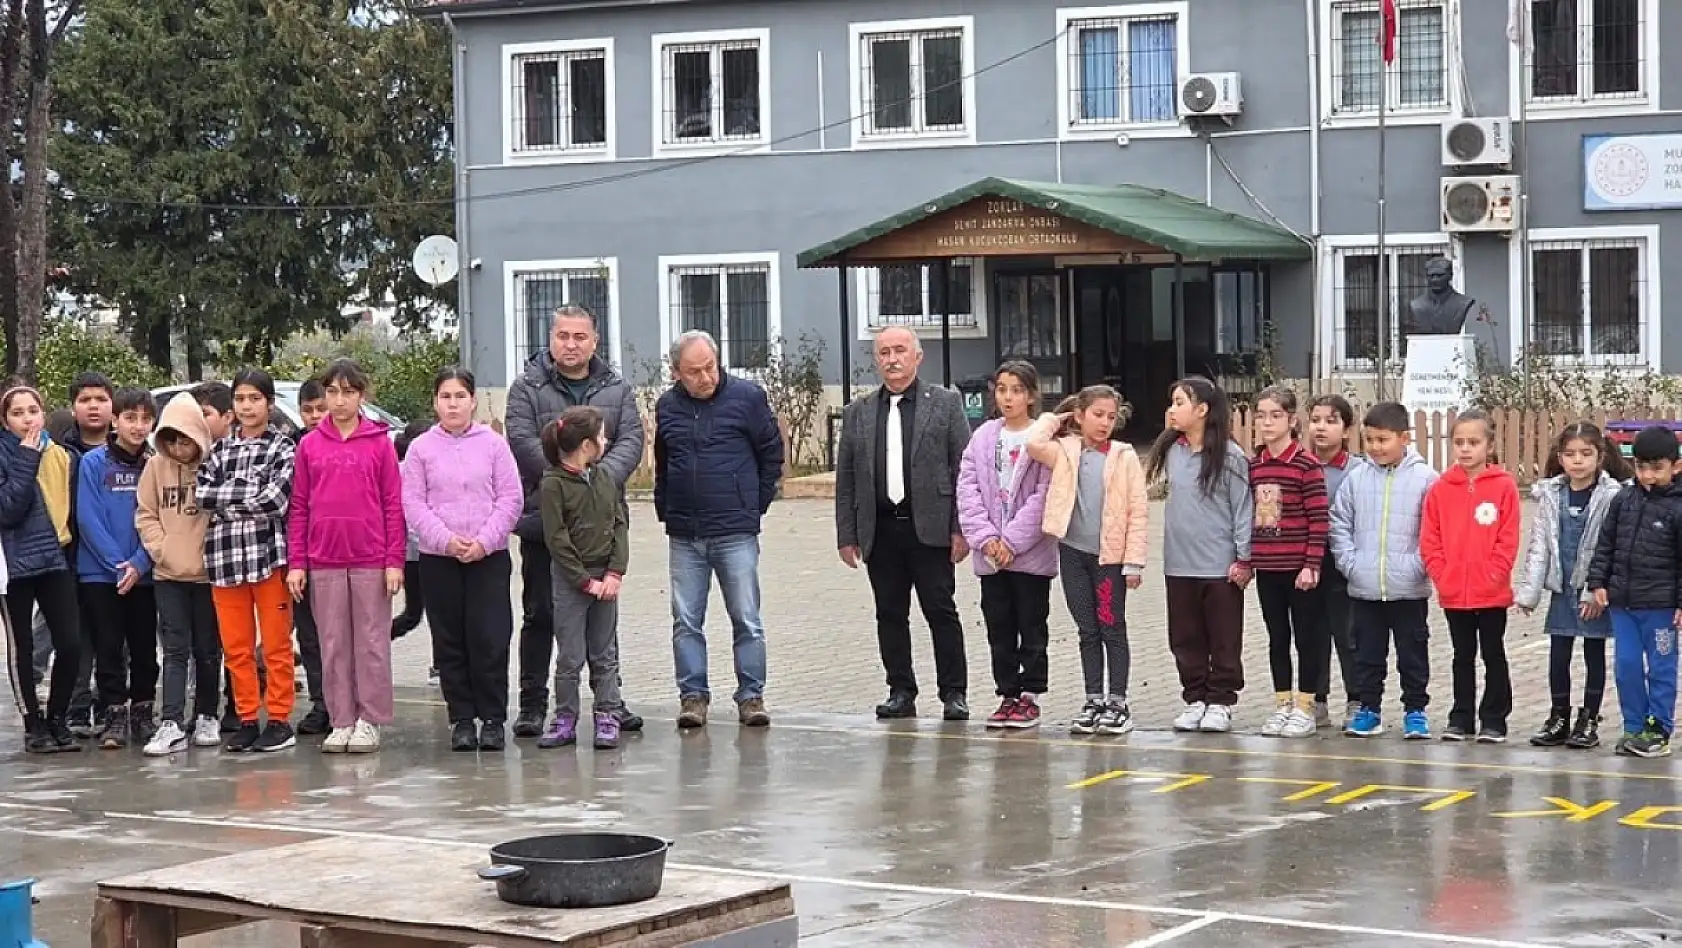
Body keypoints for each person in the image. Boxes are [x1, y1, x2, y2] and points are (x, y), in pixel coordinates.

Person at [503, 305, 645, 738]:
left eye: (580, 337)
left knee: (603, 621)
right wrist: (566, 476)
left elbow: (631, 439)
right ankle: (534, 703)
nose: (571, 344)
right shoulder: (527, 387)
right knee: (541, 614)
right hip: (545, 525)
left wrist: (596, 479)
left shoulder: (616, 388)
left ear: (595, 341)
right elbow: (523, 440)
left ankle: (609, 703)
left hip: (599, 527)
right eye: (563, 336)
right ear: (551, 339)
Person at [834, 327, 971, 722]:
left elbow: (964, 470)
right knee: (890, 614)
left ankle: (954, 692)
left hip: (930, 529)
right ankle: (900, 690)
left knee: (940, 611)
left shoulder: (945, 404)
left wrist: (961, 528)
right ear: (876, 359)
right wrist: (846, 534)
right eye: (884, 352)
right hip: (880, 530)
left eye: (900, 350)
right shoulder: (858, 412)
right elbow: (846, 478)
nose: (892, 359)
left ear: (917, 356)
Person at [654, 329, 784, 729]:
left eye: (710, 366)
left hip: (735, 530)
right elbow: (663, 462)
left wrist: (754, 504)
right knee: (686, 620)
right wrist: (666, 508)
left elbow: (771, 453)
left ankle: (751, 696)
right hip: (685, 533)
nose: (705, 377)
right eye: (694, 371)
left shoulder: (748, 398)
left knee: (746, 618)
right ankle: (693, 697)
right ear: (677, 372)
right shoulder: (667, 407)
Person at [288, 359, 405, 755]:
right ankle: (340, 719)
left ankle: (369, 719)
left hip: (371, 558)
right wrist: (297, 563)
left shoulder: (379, 443)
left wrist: (394, 561)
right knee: (333, 643)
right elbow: (299, 506)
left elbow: (393, 504)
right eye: (333, 392)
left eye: (348, 392)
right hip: (324, 560)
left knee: (371, 642)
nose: (339, 401)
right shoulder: (309, 445)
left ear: (361, 396)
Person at [401, 367, 521, 751]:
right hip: (439, 559)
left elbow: (510, 498)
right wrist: (446, 540)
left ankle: (493, 718)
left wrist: (484, 541)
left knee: (490, 637)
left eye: (460, 396)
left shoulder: (494, 445)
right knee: (450, 639)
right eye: (445, 397)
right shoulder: (421, 449)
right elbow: (413, 503)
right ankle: (462, 719)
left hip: (488, 557)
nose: (452, 404)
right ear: (435, 402)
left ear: (473, 401)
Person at [1026, 384, 1147, 736]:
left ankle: (1118, 701)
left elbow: (1138, 511)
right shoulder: (1066, 450)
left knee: (1111, 627)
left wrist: (1133, 562)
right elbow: (1033, 443)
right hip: (1073, 555)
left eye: (1111, 417)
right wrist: (1058, 417)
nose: (1105, 423)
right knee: (1087, 630)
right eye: (1097, 415)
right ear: (1080, 416)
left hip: (1108, 561)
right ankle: (1093, 699)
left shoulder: (1124, 457)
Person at [1145, 376, 1253, 734]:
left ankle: (1221, 700)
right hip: (1178, 563)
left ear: (1203, 409)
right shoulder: (1173, 451)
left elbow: (1243, 509)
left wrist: (1244, 558)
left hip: (1220, 566)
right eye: (1172, 402)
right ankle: (1195, 698)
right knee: (1184, 637)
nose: (1172, 410)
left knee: (1223, 637)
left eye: (1180, 402)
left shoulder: (1230, 457)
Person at [198, 369, 296, 753]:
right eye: (240, 399)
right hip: (224, 560)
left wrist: (228, 500)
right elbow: (203, 495)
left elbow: (276, 501)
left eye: (255, 398)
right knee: (236, 648)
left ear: (269, 403)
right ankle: (247, 717)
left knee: (275, 646)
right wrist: (246, 495)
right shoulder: (218, 450)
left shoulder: (283, 447)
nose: (247, 406)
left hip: (268, 558)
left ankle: (279, 719)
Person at [1516, 422, 1630, 750]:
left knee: (1594, 652)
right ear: (1560, 457)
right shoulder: (1551, 495)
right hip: (1561, 590)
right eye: (1570, 454)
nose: (1577, 460)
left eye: (1585, 453)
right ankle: (1558, 717)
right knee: (1559, 652)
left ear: (1600, 457)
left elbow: (1610, 548)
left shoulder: (1611, 496)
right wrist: (1528, 593)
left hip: (1593, 591)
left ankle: (1589, 719)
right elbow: (1539, 545)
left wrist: (1596, 590)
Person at [1330, 401, 1439, 740]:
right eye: (1370, 440)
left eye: (1383, 440)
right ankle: (1369, 710)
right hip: (1364, 588)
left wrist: (1419, 565)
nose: (1375, 447)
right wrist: (1350, 564)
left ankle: (1415, 711)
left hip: (1409, 588)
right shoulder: (1356, 479)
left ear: (1404, 438)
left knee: (1413, 654)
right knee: (1366, 654)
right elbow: (1339, 523)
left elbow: (1434, 529)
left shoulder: (1426, 479)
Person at [957, 361, 1055, 730]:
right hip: (992, 557)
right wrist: (986, 539)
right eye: (1002, 389)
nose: (1008, 397)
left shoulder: (1042, 439)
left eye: (1017, 390)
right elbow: (967, 488)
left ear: (1031, 395)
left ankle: (1030, 694)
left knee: (1031, 624)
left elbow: (1045, 495)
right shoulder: (983, 437)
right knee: (999, 627)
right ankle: (1007, 692)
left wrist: (1012, 540)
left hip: (1029, 556)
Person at [1421, 410, 1520, 743]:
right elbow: (1430, 538)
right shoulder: (1440, 489)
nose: (1465, 449)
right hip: (1454, 593)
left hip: (1491, 592)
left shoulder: (1504, 486)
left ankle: (1494, 718)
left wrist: (1495, 573)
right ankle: (1461, 717)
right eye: (1459, 442)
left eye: (1473, 442)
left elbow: (1508, 537)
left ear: (1489, 445)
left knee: (1493, 653)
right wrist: (1442, 575)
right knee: (1461, 656)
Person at [135, 392, 224, 756]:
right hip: (168, 576)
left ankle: (207, 715)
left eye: (185, 440)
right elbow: (146, 513)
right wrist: (162, 549)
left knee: (207, 649)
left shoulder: (215, 464)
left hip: (207, 576)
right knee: (174, 649)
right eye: (170, 440)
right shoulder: (155, 468)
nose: (178, 448)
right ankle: (171, 721)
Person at [536, 406, 629, 750]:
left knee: (604, 653)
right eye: (602, 436)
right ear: (587, 445)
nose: (606, 441)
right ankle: (564, 718)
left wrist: (615, 572)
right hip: (571, 581)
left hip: (606, 578)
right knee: (570, 655)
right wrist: (584, 581)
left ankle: (608, 714)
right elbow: (557, 539)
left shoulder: (604, 477)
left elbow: (619, 523)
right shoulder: (553, 484)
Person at [1586, 425, 1682, 758]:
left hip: (1661, 607)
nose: (1648, 475)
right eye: (1641, 467)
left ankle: (1658, 729)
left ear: (1675, 466)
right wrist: (1598, 582)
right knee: (1626, 666)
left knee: (1661, 668)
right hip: (1622, 604)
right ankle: (1634, 726)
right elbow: (1605, 544)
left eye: (1657, 468)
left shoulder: (1678, 508)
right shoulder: (1623, 500)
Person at [0, 383, 83, 753]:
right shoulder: (11, 453)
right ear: (5, 421)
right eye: (17, 413)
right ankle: (33, 723)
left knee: (70, 643)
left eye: (32, 411)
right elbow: (8, 510)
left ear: (43, 414)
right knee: (22, 648)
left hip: (53, 558)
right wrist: (24, 458)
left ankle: (57, 717)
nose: (27, 419)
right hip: (12, 566)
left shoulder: (58, 454)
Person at [76, 387, 159, 750]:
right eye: (130, 418)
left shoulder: (155, 463)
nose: (138, 426)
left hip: (146, 574)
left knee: (144, 648)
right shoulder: (93, 463)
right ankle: (114, 715)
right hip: (100, 574)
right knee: (108, 648)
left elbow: (160, 519)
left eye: (145, 419)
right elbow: (88, 518)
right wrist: (119, 565)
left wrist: (140, 563)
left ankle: (143, 712)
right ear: (115, 420)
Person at [1248, 386, 1329, 739]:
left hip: (1300, 571)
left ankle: (1306, 705)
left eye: (1275, 415)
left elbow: (1319, 519)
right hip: (1268, 568)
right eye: (1261, 416)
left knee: (1306, 638)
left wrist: (1312, 564)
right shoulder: (1255, 466)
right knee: (1277, 637)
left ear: (1292, 420)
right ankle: (1282, 703)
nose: (1267, 422)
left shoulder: (1306, 465)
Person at [1307, 394, 1359, 729]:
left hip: (1344, 564)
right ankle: (1316, 700)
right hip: (1308, 562)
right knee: (1313, 635)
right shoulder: (1302, 466)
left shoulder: (1358, 471)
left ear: (1347, 429)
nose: (1321, 427)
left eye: (1331, 421)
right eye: (1315, 420)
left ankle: (1356, 699)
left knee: (1348, 634)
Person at [289, 379, 328, 734]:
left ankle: (347, 702)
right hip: (303, 554)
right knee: (309, 635)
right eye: (307, 410)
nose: (315, 416)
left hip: (340, 553)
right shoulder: (292, 448)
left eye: (320, 409)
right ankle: (320, 703)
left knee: (341, 636)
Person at [390, 419, 431, 642]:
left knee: (415, 614)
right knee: (416, 614)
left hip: (416, 552)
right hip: (415, 554)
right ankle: (371, 643)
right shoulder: (404, 470)